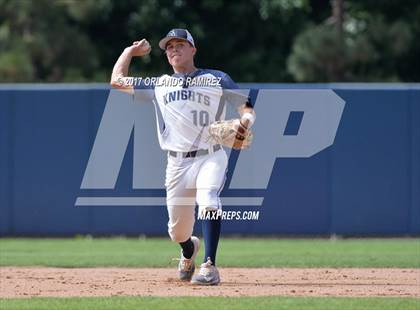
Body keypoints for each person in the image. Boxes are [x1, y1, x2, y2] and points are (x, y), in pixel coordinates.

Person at [110, 29, 255, 285]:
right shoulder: (160, 84)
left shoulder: (216, 78)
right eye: (169, 47)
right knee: (177, 230)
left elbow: (246, 108)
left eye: (180, 44)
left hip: (210, 155)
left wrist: (244, 121)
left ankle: (209, 266)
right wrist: (129, 51)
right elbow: (117, 81)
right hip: (177, 163)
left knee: (209, 200)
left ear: (193, 50)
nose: (173, 49)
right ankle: (189, 249)